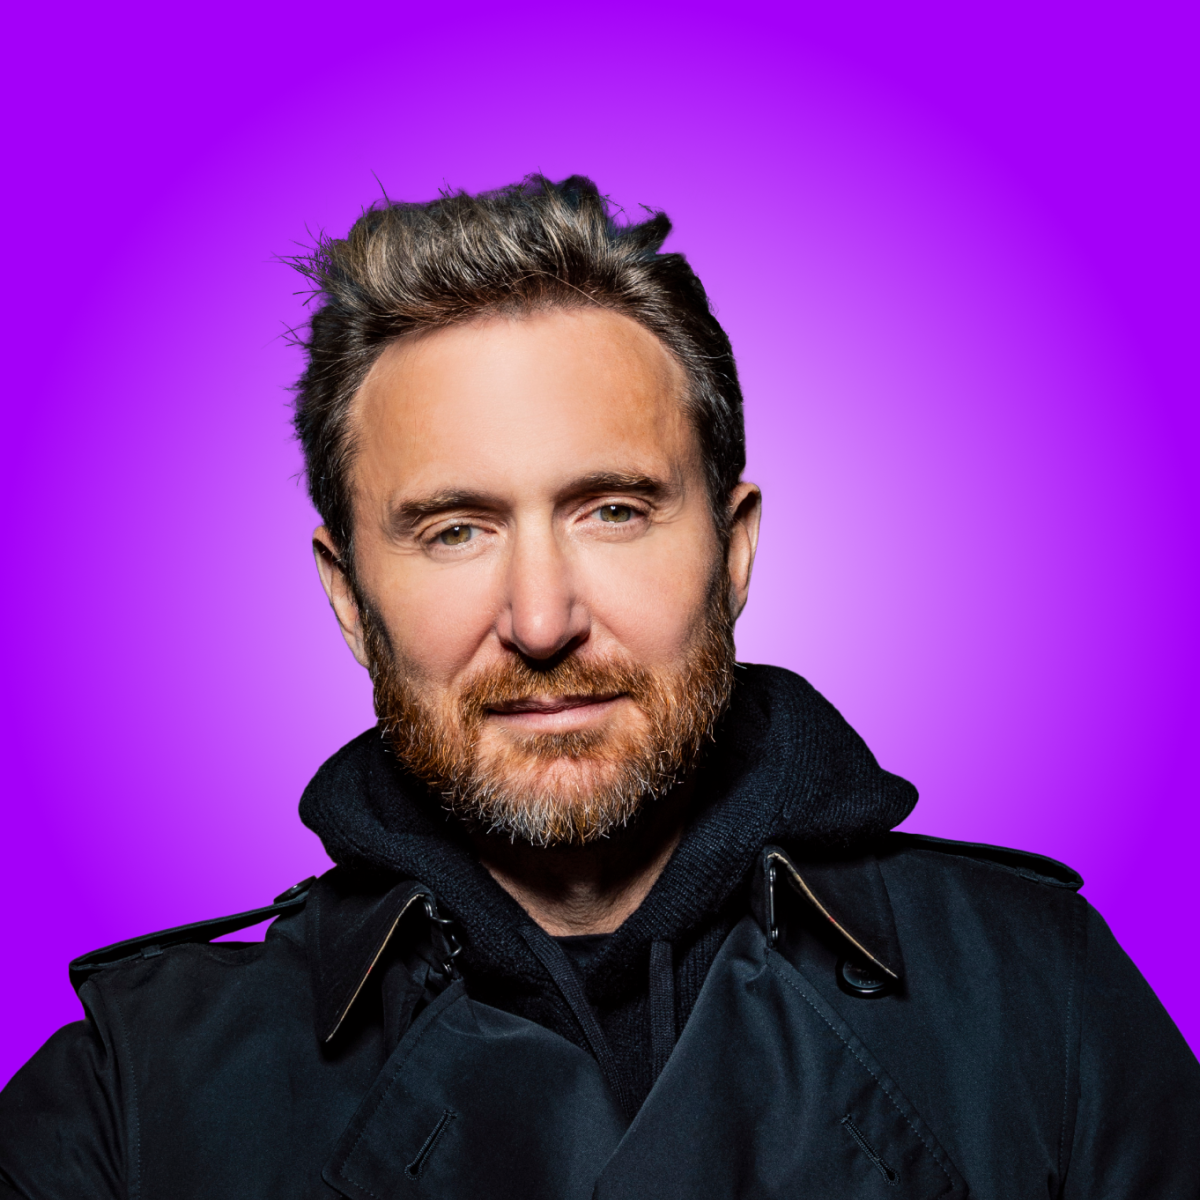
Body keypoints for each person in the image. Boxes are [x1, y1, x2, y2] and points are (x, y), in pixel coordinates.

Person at [1, 175, 1197, 1199]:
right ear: (347, 593)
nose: (541, 622)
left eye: (613, 510)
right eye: (455, 530)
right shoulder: (130, 1098)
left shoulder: (1042, 1004)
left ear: (733, 551)